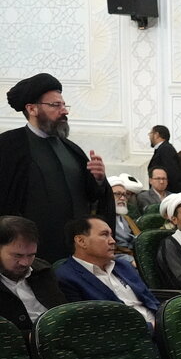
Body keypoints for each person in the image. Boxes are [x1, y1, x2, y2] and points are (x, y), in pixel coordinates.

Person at [0, 73, 112, 262]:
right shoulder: (9, 146)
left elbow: (92, 196)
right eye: (55, 105)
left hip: (76, 250)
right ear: (32, 109)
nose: (64, 111)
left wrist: (99, 180)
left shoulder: (71, 149)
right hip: (31, 252)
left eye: (64, 105)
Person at [56, 216, 159, 326]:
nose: (112, 241)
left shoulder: (123, 266)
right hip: (130, 332)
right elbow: (92, 324)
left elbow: (151, 301)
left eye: (111, 235)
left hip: (159, 323)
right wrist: (151, 327)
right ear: (81, 241)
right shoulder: (67, 277)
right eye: (104, 235)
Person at [0, 215, 65, 332]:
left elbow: (62, 310)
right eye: (17, 255)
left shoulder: (43, 270)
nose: (25, 263)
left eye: (31, 255)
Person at [147, 125, 181, 195]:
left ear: (156, 135)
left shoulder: (165, 149)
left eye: (150, 133)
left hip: (170, 194)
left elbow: (172, 173)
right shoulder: (162, 149)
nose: (149, 137)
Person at [108, 175, 142, 260]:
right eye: (118, 194)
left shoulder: (127, 219)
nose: (122, 198)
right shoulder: (101, 220)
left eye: (124, 194)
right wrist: (130, 261)